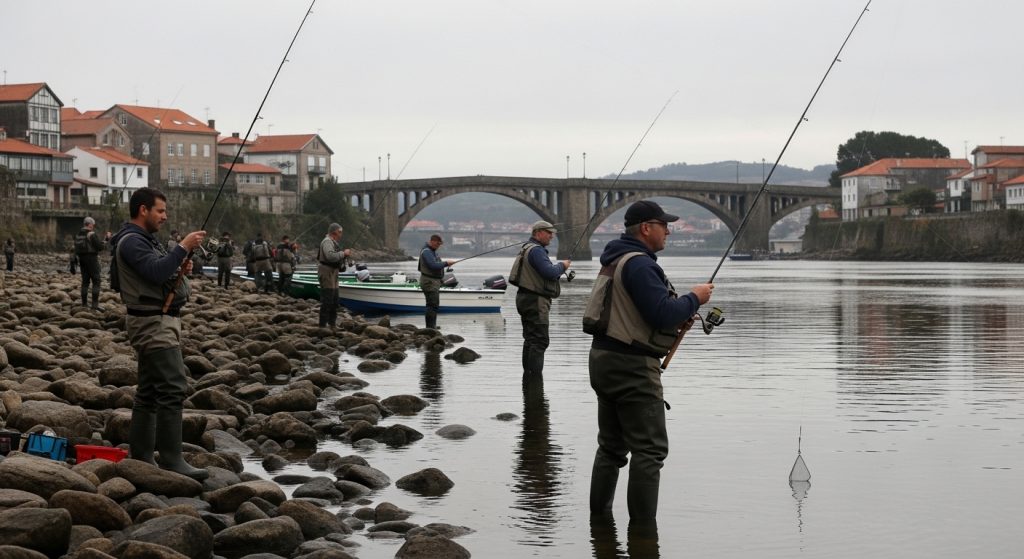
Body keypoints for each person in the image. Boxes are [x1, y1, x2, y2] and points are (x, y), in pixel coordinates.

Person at [586, 200, 714, 523]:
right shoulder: (641, 265)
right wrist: (694, 297)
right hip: (631, 368)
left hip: (603, 360)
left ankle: (598, 524)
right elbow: (661, 312)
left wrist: (680, 314)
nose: (668, 230)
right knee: (649, 451)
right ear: (646, 228)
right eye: (663, 225)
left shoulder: (615, 259)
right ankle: (643, 535)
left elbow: (638, 314)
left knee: (611, 448)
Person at [109, 186, 208, 481]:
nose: (165, 216)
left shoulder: (142, 240)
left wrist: (179, 265)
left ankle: (140, 456)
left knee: (150, 391)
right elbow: (154, 273)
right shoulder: (131, 242)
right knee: (173, 386)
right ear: (143, 210)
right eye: (160, 211)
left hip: (156, 321)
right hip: (152, 324)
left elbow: (157, 272)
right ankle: (171, 459)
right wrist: (181, 247)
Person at [509, 220, 571, 380]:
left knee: (530, 339)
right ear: (538, 233)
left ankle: (528, 378)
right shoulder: (536, 251)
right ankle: (535, 380)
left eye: (552, 232)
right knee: (540, 341)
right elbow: (549, 272)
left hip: (524, 298)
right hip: (535, 301)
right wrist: (563, 265)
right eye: (548, 232)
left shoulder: (526, 248)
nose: (552, 235)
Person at [418, 234, 456, 329]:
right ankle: (430, 327)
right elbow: (433, 265)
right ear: (432, 241)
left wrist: (445, 266)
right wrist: (446, 263)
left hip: (433, 281)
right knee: (432, 305)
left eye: (439, 244)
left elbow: (437, 265)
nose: (438, 245)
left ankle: (432, 326)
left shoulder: (432, 252)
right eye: (437, 243)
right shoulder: (426, 252)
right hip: (429, 282)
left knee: (434, 304)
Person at [317, 222, 350, 329]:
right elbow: (330, 256)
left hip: (333, 273)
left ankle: (332, 324)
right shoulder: (327, 242)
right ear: (334, 232)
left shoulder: (333, 242)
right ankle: (322, 326)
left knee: (334, 301)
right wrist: (343, 254)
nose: (341, 234)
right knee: (327, 300)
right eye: (340, 232)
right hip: (327, 272)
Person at [75, 216, 107, 309]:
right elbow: (100, 247)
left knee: (85, 282)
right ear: (89, 224)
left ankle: (84, 304)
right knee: (96, 281)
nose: (93, 226)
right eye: (92, 225)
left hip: (81, 259)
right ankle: (95, 305)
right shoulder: (91, 234)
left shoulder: (78, 234)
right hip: (91, 259)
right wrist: (106, 239)